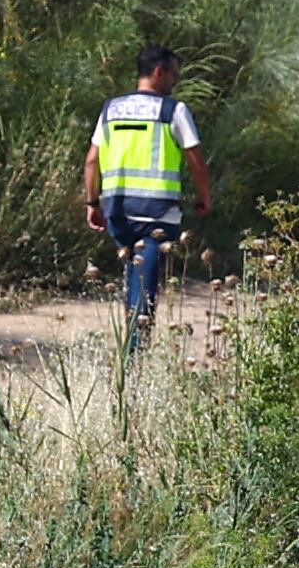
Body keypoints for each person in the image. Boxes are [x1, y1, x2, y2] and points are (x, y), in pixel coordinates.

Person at [82, 46, 214, 349]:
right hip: (157, 213)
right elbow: (195, 159)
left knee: (134, 275)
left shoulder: (111, 109)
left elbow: (91, 161)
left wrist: (92, 204)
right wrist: (205, 195)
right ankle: (133, 359)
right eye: (174, 75)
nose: (175, 82)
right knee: (145, 287)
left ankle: (130, 352)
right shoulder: (172, 110)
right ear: (158, 72)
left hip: (117, 212)